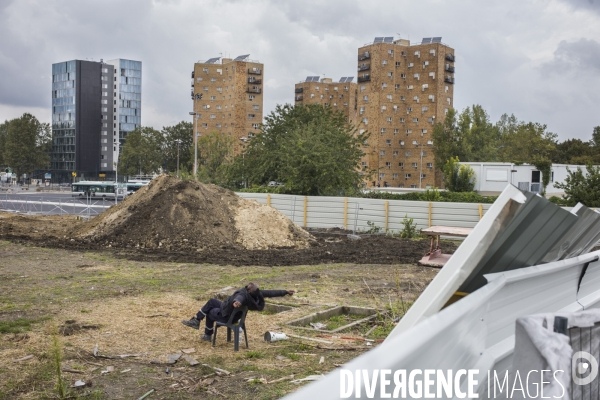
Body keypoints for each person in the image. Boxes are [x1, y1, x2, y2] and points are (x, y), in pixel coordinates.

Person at [182, 283, 295, 341]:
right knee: (211, 301)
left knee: (210, 312)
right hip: (230, 311)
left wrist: (236, 302)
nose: (248, 285)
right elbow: (271, 293)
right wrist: (285, 292)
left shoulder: (244, 296)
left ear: (249, 291)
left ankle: (207, 335)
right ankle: (196, 320)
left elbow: (239, 298)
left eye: (250, 286)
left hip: (227, 315)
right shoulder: (255, 295)